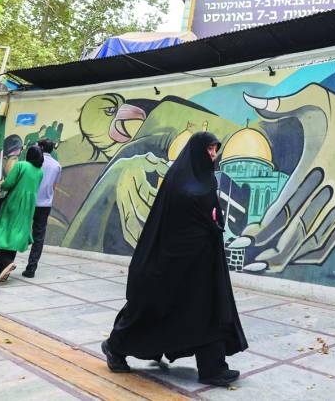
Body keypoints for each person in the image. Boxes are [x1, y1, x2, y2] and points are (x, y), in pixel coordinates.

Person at [101, 131, 247, 387]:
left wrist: (214, 227)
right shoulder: (180, 184)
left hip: (203, 265)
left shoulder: (206, 181)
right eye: (209, 149)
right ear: (196, 151)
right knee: (153, 311)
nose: (213, 154)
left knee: (208, 311)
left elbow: (213, 218)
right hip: (173, 266)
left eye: (215, 149)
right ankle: (115, 346)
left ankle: (212, 367)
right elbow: (178, 228)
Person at [0, 145, 44, 282]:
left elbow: (8, 184)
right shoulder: (40, 172)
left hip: (14, 201)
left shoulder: (21, 165)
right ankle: (3, 269)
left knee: (1, 229)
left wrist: (1, 187)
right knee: (16, 233)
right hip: (29, 206)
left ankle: (6, 262)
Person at [23, 139, 62, 278]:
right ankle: (31, 269)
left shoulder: (32, 163)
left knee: (17, 228)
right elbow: (54, 187)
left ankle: (4, 262)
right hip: (45, 204)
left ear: (40, 147)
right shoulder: (57, 166)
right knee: (39, 236)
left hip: (28, 202)